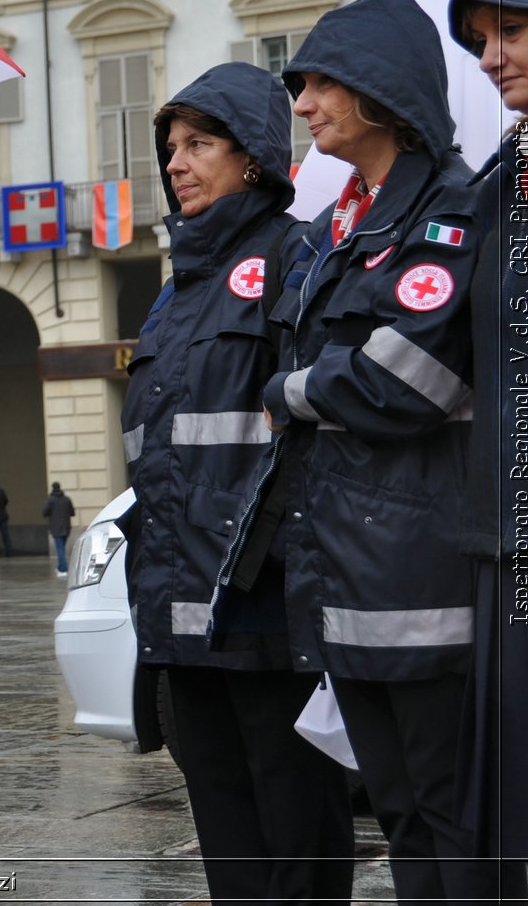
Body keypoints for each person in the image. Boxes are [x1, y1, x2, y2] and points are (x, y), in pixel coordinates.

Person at [267, 0, 491, 902]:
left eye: (319, 82)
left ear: (377, 89)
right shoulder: (335, 229)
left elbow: (405, 381)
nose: (304, 103)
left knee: (453, 819)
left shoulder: (451, 212)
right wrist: (318, 388)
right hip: (347, 573)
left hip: (420, 576)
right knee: (398, 812)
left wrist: (294, 391)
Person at [121, 62, 353, 904]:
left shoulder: (299, 257)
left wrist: (278, 562)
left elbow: (316, 426)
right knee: (225, 830)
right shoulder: (174, 291)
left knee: (297, 828)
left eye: (199, 144)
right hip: (181, 605)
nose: (176, 163)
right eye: (170, 147)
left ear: (253, 155)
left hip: (265, 601)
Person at [448, 0, 528, 895]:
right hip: (506, 535)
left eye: (510, 28)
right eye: (479, 38)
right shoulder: (500, 180)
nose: (489, 57)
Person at [41, 482, 75, 578]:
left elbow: (44, 513)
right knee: (61, 548)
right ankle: (60, 567)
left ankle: (63, 569)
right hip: (66, 527)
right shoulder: (67, 499)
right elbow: (72, 513)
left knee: (60, 549)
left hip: (56, 527)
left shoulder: (50, 500)